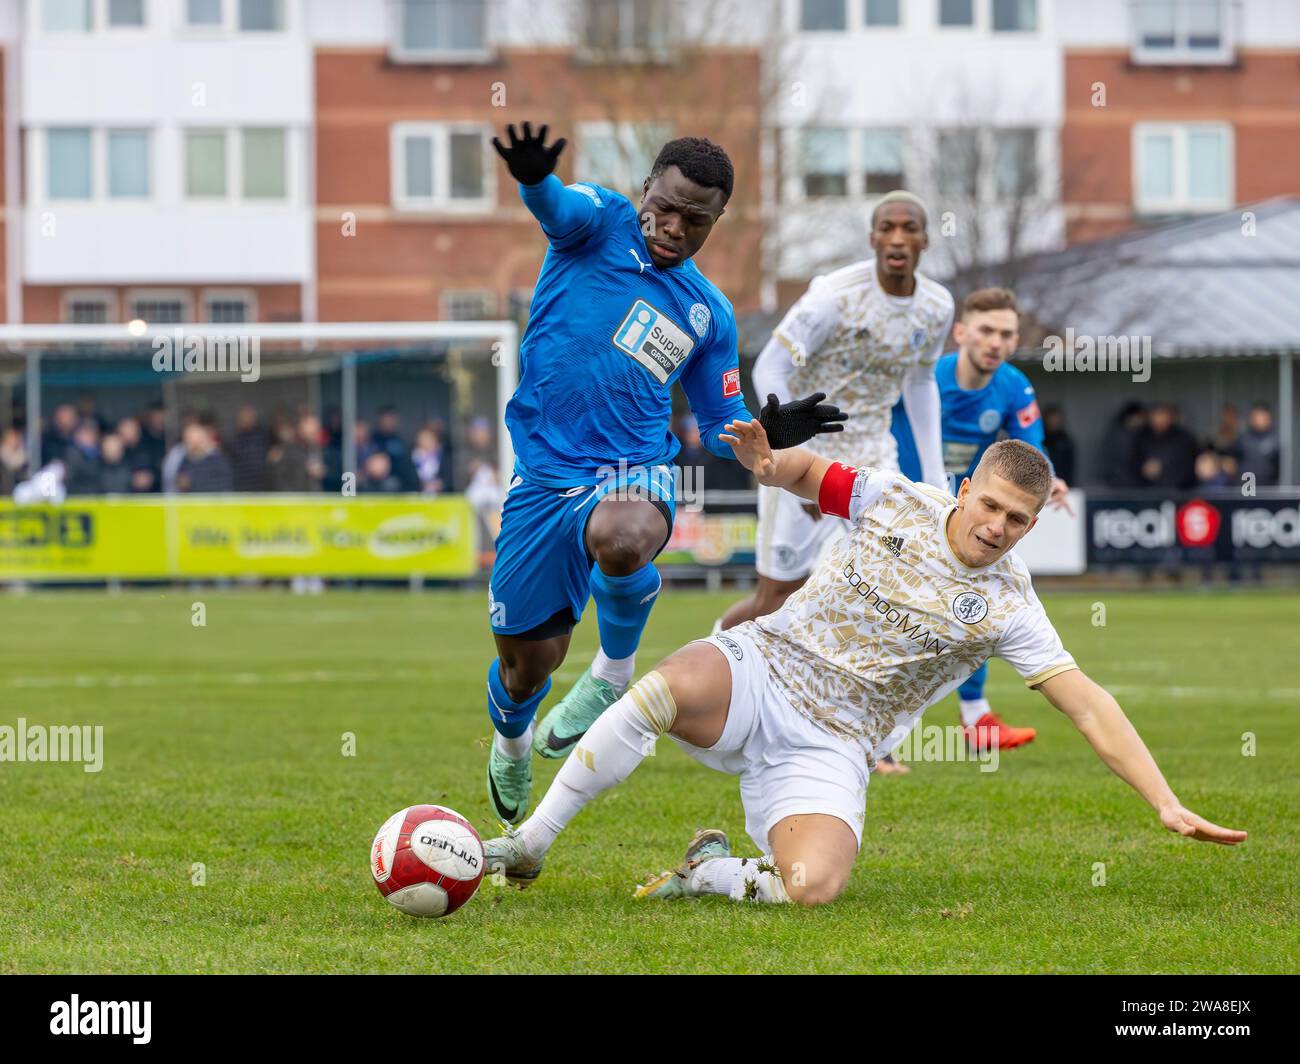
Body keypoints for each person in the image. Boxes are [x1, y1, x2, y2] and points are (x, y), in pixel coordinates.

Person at [483, 423, 1247, 904]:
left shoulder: (1013, 605)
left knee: (811, 890)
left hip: (835, 743)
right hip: (762, 670)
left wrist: (1163, 801)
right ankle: (534, 843)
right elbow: (819, 477)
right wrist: (772, 462)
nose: (997, 527)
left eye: (1018, 519)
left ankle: (706, 871)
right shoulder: (896, 499)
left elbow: (1085, 702)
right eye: (989, 505)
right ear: (963, 488)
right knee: (661, 688)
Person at [480, 120, 844, 824]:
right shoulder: (601, 223)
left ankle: (614, 672)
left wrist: (768, 435)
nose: (674, 226)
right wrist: (532, 179)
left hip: (631, 468)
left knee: (623, 536)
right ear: (645, 188)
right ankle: (513, 738)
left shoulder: (709, 314)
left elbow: (721, 429)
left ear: (716, 223)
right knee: (528, 667)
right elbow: (557, 206)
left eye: (695, 219)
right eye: (666, 207)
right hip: (541, 478)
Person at [718, 191, 952, 632]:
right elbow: (770, 366)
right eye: (887, 228)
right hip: (807, 450)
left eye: (909, 229)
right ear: (872, 239)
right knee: (776, 599)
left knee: (894, 586)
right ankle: (710, 657)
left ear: (925, 241)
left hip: (874, 456)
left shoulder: (937, 306)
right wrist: (799, 465)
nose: (897, 239)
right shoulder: (833, 296)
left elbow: (921, 382)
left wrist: (936, 479)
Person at [890, 287, 1069, 753]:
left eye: (1007, 334)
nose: (996, 341)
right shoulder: (927, 379)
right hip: (905, 510)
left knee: (975, 601)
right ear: (961, 332)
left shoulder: (1013, 386)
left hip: (965, 510)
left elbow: (1033, 450)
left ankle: (974, 719)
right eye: (986, 330)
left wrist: (1052, 480)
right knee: (891, 612)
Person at [1134, 404, 1198, 490]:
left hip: (1180, 490)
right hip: (1147, 490)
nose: (1160, 420)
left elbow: (1189, 465)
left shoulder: (1184, 438)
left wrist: (1164, 468)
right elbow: (1133, 462)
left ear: (1171, 417)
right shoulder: (1142, 437)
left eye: (1163, 416)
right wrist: (1144, 468)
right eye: (1156, 416)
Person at [1239, 403, 1280, 487]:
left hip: (1270, 488)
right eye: (1255, 416)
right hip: (1247, 488)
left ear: (1268, 418)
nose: (1258, 419)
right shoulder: (1243, 438)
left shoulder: (1276, 439)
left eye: (1261, 416)